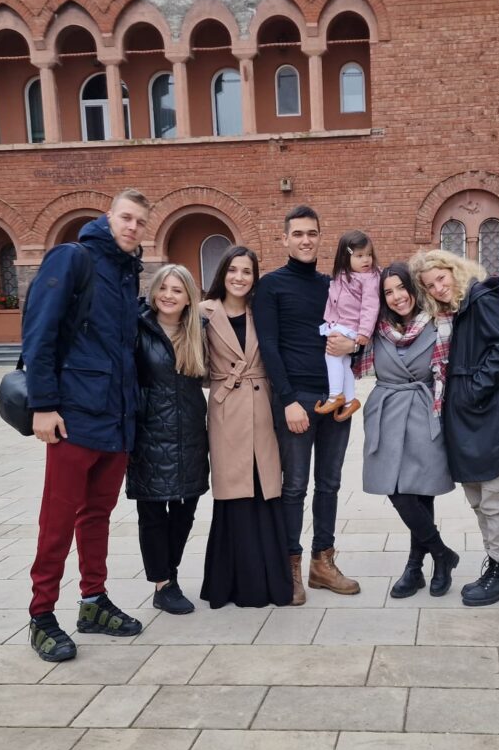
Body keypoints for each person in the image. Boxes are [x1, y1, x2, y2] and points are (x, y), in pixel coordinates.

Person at [23, 189, 150, 662]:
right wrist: (43, 405)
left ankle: (93, 600)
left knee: (97, 516)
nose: (132, 227)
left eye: (140, 221)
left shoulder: (127, 273)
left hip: (116, 420)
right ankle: (41, 615)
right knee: (56, 521)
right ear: (109, 216)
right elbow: (39, 332)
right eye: (126, 217)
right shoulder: (72, 258)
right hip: (73, 417)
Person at [253, 205, 360, 604]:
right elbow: (268, 345)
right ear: (285, 239)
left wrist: (354, 345)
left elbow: (354, 332)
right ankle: (290, 568)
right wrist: (287, 401)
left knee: (329, 484)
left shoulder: (332, 286)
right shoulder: (271, 286)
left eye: (311, 233)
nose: (305, 240)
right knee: (295, 486)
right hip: (297, 399)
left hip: (336, 399)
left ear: (320, 237)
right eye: (297, 233)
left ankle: (322, 563)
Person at [411, 248, 499, 607]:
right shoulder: (454, 310)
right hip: (465, 416)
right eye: (430, 285)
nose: (438, 288)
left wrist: (474, 389)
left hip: (489, 413)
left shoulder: (481, 298)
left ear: (454, 270)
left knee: (495, 496)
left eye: (441, 278)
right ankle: (495, 564)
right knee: (478, 498)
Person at [199, 246, 294, 608]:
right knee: (233, 492)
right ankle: (232, 585)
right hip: (226, 410)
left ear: (255, 277)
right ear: (222, 273)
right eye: (233, 270)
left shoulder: (263, 310)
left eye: (247, 271)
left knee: (264, 487)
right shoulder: (203, 312)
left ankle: (271, 583)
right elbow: (193, 361)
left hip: (262, 406)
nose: (239, 277)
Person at [359, 263, 458, 597]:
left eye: (401, 288)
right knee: (396, 490)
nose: (397, 296)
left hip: (424, 409)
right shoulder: (375, 327)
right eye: (388, 292)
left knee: (420, 489)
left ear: (414, 289)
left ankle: (415, 567)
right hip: (386, 413)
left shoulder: (439, 323)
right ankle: (441, 554)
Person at [126, 265, 209, 615]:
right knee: (152, 512)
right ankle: (162, 583)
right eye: (163, 288)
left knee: (185, 510)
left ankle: (169, 573)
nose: (168, 295)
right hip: (149, 434)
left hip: (190, 433)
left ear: (189, 297)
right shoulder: (137, 328)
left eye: (177, 290)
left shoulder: (200, 331)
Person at [315, 230, 380, 422]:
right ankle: (351, 399)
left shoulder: (369, 278)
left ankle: (335, 395)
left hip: (351, 326)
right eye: (359, 256)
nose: (366, 260)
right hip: (340, 324)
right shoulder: (342, 276)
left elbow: (370, 306)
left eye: (369, 254)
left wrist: (364, 332)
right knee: (343, 362)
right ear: (346, 257)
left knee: (332, 355)